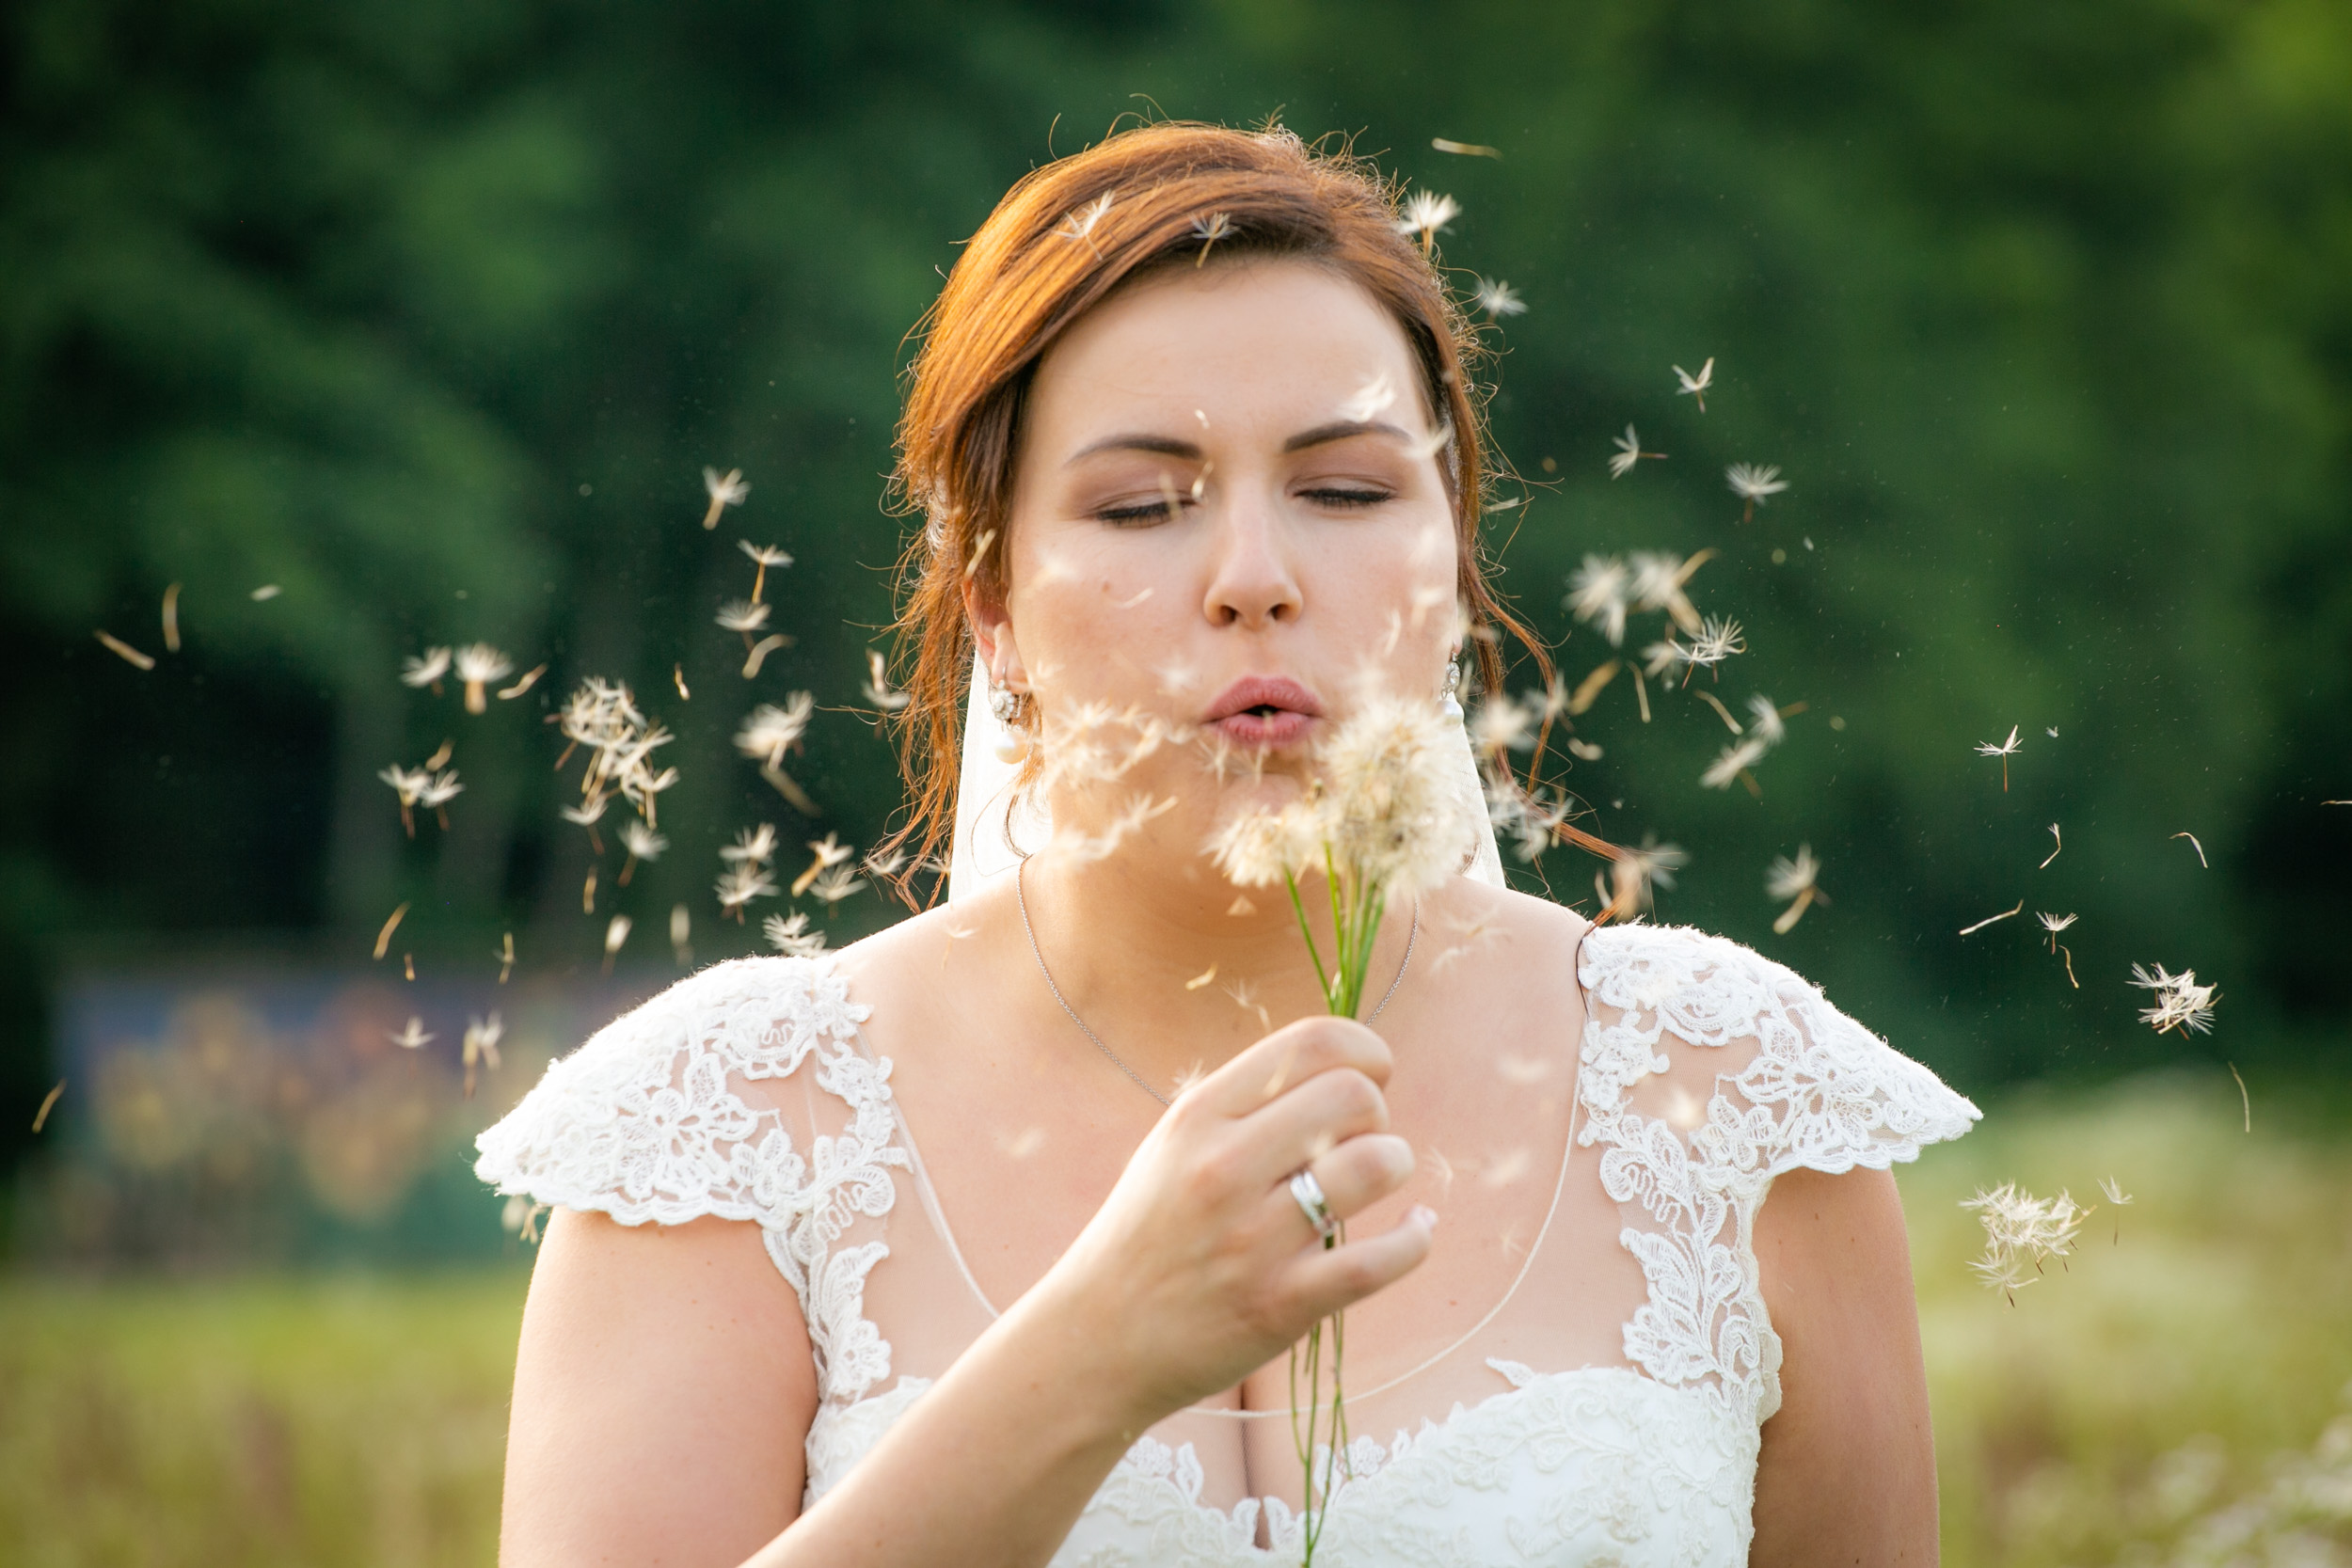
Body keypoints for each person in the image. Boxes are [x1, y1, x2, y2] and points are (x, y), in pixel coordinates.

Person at [478, 121, 1978, 1567]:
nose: (1254, 579)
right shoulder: (723, 1138)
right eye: (1141, 507)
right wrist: (1096, 1353)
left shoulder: (1735, 1102)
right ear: (991, 601)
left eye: (1346, 491)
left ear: (1454, 554)